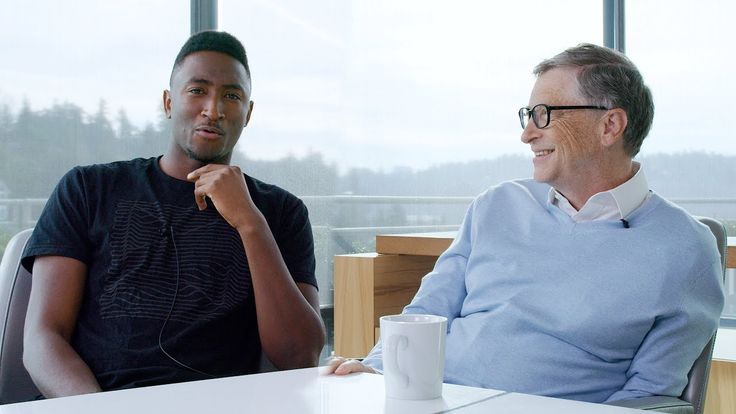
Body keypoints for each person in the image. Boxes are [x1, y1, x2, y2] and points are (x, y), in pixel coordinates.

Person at [327, 43, 724, 403]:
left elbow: (648, 395)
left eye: (543, 115)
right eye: (528, 115)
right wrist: (375, 368)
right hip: (433, 402)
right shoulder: (496, 205)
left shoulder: (686, 247)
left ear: (610, 126)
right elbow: (427, 312)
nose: (527, 134)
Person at [21, 31, 325, 398]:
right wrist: (95, 411)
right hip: (93, 402)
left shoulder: (280, 212)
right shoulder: (88, 188)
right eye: (197, 90)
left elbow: (299, 356)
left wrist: (250, 222)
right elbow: (43, 338)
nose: (213, 109)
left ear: (248, 113)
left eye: (232, 96)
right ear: (168, 103)